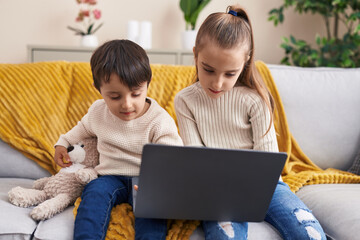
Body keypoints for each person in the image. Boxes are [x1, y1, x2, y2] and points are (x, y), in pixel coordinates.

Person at [174, 5, 326, 240]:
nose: (217, 82)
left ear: (245, 63)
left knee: (310, 233)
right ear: (195, 54)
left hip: (266, 188)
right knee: (225, 235)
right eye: (208, 70)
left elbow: (267, 164)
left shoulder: (255, 99)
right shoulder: (185, 100)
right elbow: (196, 158)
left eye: (229, 74)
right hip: (218, 191)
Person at [54, 39, 182, 240]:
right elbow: (82, 128)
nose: (127, 104)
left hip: (146, 180)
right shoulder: (97, 112)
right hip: (109, 177)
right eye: (115, 97)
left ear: (147, 85)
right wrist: (62, 143)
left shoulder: (159, 120)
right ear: (99, 90)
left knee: (152, 216)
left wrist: (158, 183)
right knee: (93, 195)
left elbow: (172, 157)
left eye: (136, 94)